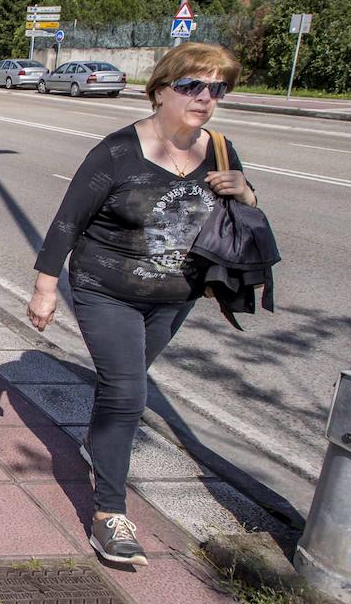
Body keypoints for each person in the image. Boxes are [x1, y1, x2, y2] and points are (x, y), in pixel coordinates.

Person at [27, 42, 257, 566]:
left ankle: (95, 440)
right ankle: (110, 515)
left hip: (175, 297)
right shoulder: (117, 151)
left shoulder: (220, 150)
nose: (206, 98)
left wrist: (245, 192)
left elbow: (237, 218)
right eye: (193, 86)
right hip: (105, 289)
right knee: (128, 394)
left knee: (122, 389)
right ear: (159, 92)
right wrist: (45, 287)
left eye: (217, 88)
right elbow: (69, 220)